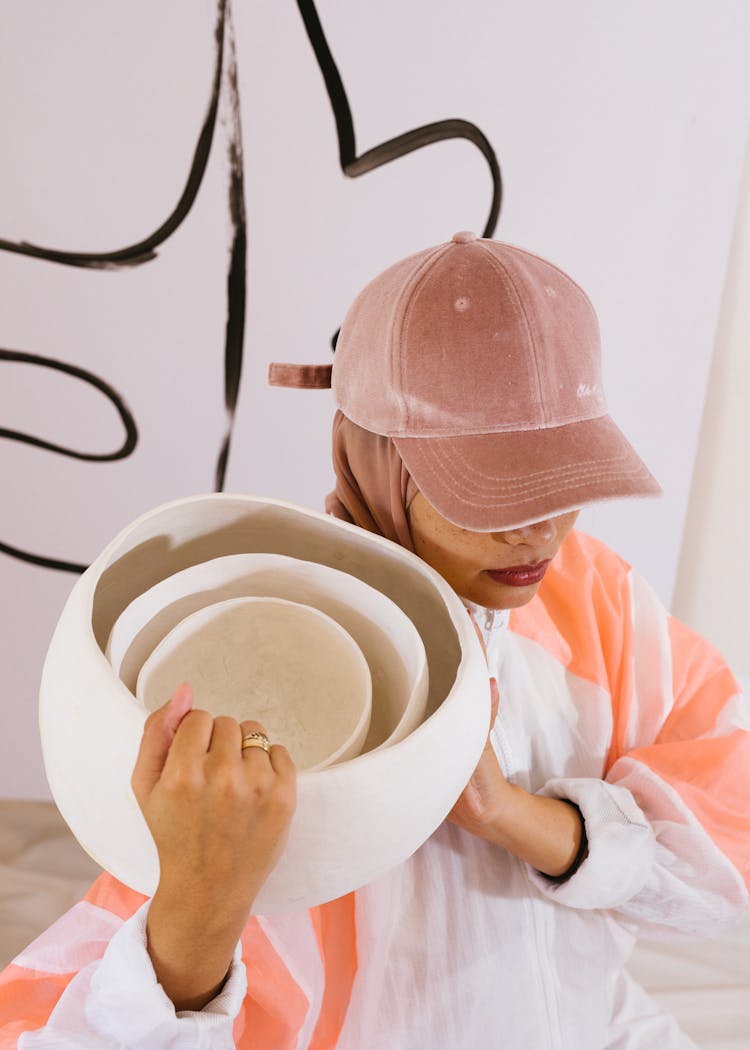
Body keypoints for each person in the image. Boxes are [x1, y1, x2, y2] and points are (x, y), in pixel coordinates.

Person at [1, 233, 748, 1048]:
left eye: (564, 482)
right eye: (490, 493)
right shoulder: (277, 656)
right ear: (376, 462)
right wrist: (200, 905)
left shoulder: (596, 596)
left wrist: (515, 817)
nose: (539, 532)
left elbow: (728, 828)